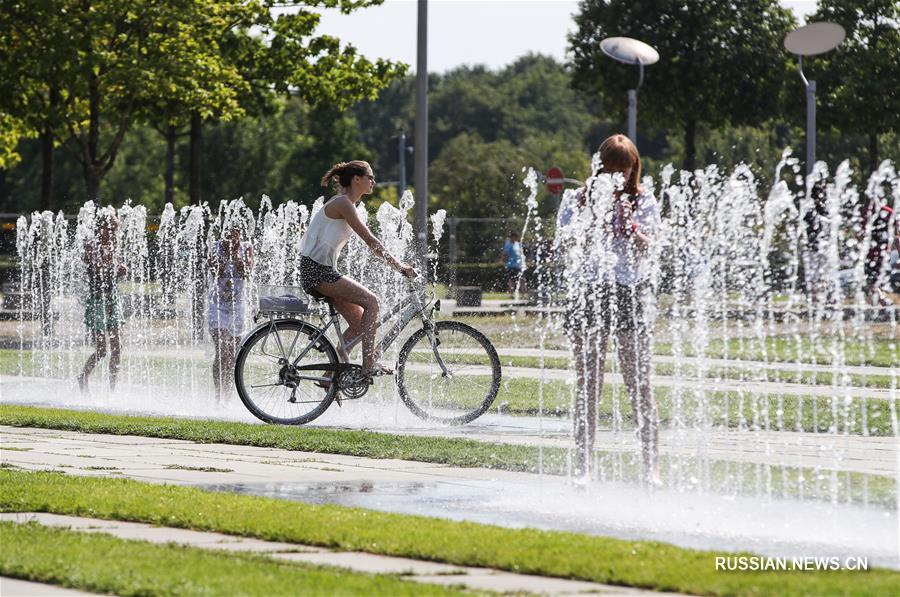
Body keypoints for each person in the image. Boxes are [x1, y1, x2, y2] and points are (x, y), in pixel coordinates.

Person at [556, 134, 661, 485]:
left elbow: (650, 247)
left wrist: (629, 225)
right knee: (589, 384)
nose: (619, 178)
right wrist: (593, 223)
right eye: (612, 169)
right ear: (600, 167)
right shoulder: (578, 198)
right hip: (589, 290)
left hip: (628, 290)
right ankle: (584, 466)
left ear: (633, 169)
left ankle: (651, 467)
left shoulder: (643, 200)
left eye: (625, 170)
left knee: (639, 383)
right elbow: (564, 242)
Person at [300, 161, 417, 377]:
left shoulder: (346, 204)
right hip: (317, 270)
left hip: (320, 270)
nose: (373, 181)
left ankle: (330, 378)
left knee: (360, 324)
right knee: (371, 302)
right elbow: (370, 240)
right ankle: (368, 364)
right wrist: (399, 266)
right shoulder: (343, 203)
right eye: (370, 177)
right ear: (356, 179)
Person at [78, 212, 126, 392]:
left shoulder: (115, 245)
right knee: (101, 350)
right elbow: (99, 266)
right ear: (101, 228)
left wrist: (122, 268)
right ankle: (83, 376)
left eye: (115, 229)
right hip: (97, 302)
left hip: (113, 300)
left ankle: (112, 390)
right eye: (111, 228)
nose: (114, 232)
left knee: (118, 348)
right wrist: (114, 263)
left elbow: (113, 269)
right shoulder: (91, 245)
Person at [207, 223, 253, 400]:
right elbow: (214, 272)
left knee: (233, 355)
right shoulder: (215, 247)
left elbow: (247, 274)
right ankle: (219, 395)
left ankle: (229, 396)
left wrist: (236, 255)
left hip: (237, 307)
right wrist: (227, 256)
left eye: (237, 236)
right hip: (217, 306)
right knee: (222, 350)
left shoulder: (247, 247)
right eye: (229, 236)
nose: (233, 240)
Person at [865, 204, 894, 306]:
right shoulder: (889, 211)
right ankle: (880, 301)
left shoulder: (866, 211)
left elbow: (860, 233)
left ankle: (881, 300)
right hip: (884, 253)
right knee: (878, 280)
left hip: (871, 254)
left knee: (872, 281)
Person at [501, 231, 526, 297]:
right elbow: (505, 254)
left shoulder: (518, 244)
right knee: (511, 280)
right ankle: (511, 294)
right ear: (512, 237)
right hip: (511, 265)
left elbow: (520, 254)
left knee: (522, 280)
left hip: (518, 266)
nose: (516, 238)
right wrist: (504, 261)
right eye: (515, 237)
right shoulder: (508, 244)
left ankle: (522, 294)